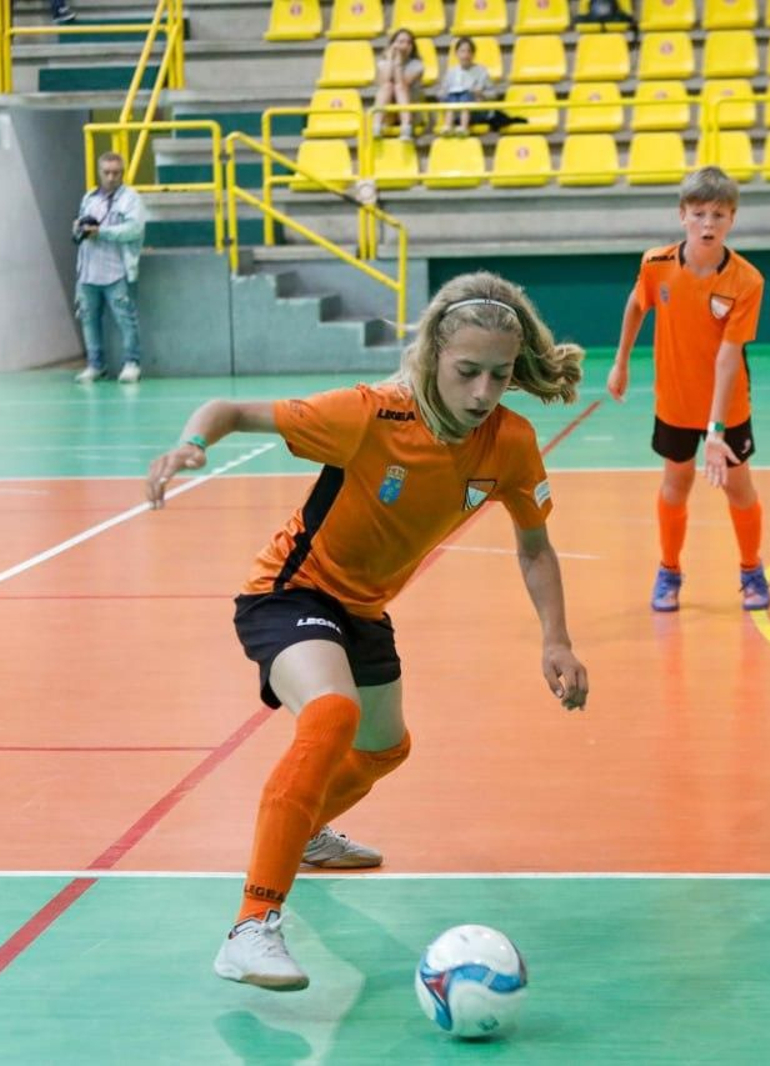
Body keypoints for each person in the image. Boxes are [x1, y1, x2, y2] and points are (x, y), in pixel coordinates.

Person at [143, 271, 590, 991]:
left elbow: (535, 546)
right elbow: (227, 407)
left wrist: (557, 639)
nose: (482, 393)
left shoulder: (508, 442)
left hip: (363, 610)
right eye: (466, 372)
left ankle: (304, 828)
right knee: (332, 714)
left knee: (385, 747)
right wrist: (191, 444)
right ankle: (251, 927)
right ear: (431, 360)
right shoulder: (369, 414)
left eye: (498, 376)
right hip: (289, 590)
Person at [606, 166, 769, 613]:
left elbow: (728, 356)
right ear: (682, 215)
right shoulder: (655, 264)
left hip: (728, 405)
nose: (708, 224)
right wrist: (621, 361)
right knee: (675, 484)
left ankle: (752, 569)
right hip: (674, 403)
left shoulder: (746, 281)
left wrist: (716, 429)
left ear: (732, 218)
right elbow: (637, 304)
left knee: (739, 489)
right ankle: (669, 571)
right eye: (699, 213)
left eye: (718, 214)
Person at [72, 151, 146, 384]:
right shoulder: (89, 198)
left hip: (116, 271)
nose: (111, 177)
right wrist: (79, 228)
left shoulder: (131, 199)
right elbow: (81, 229)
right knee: (88, 319)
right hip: (88, 271)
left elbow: (133, 229)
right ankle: (96, 365)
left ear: (122, 173)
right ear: (99, 172)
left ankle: (132, 363)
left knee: (126, 318)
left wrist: (101, 232)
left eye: (116, 173)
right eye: (107, 173)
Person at [372, 28, 425, 142]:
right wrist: (391, 59)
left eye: (408, 42)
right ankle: (377, 126)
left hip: (410, 111)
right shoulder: (382, 64)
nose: (404, 45)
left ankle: (406, 127)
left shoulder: (417, 65)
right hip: (389, 114)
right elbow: (385, 80)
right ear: (393, 45)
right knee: (388, 86)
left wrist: (398, 62)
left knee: (399, 87)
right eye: (401, 42)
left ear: (412, 47)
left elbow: (402, 84)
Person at [438, 36, 493, 136]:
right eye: (462, 51)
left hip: (476, 111)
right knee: (454, 96)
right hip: (455, 111)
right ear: (456, 54)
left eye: (469, 51)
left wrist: (481, 94)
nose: (465, 55)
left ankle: (464, 127)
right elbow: (441, 95)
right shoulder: (451, 73)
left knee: (466, 95)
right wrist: (449, 94)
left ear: (473, 54)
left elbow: (493, 94)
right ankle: (448, 126)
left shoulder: (482, 71)